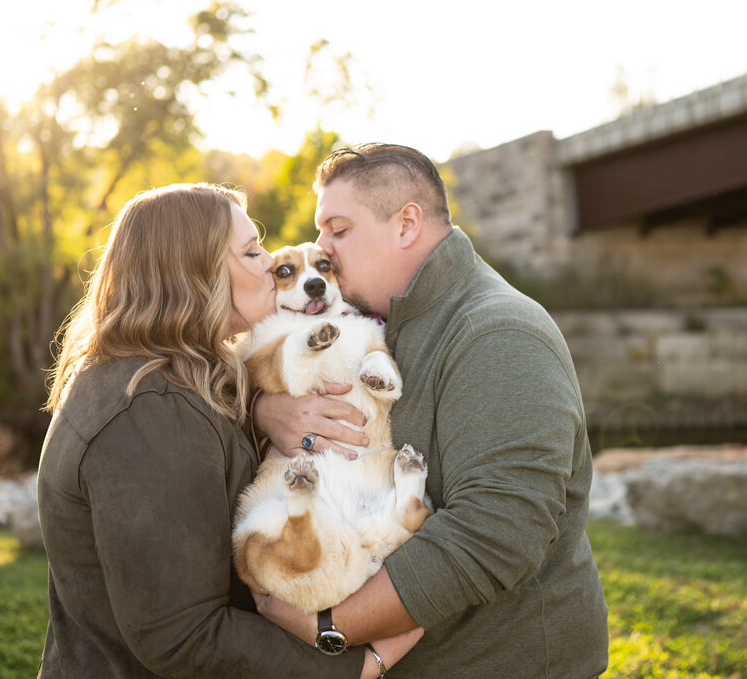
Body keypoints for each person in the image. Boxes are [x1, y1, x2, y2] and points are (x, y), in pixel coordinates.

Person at [36, 182, 419, 678]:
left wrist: (261, 409)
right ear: (198, 273)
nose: (269, 262)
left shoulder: (172, 374)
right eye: (252, 251)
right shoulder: (145, 412)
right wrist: (355, 668)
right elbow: (181, 635)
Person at [253, 145, 610, 677]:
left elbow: (496, 533)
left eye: (338, 230)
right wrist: (266, 409)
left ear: (406, 225)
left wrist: (333, 626)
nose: (322, 249)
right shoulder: (377, 316)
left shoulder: (499, 334)